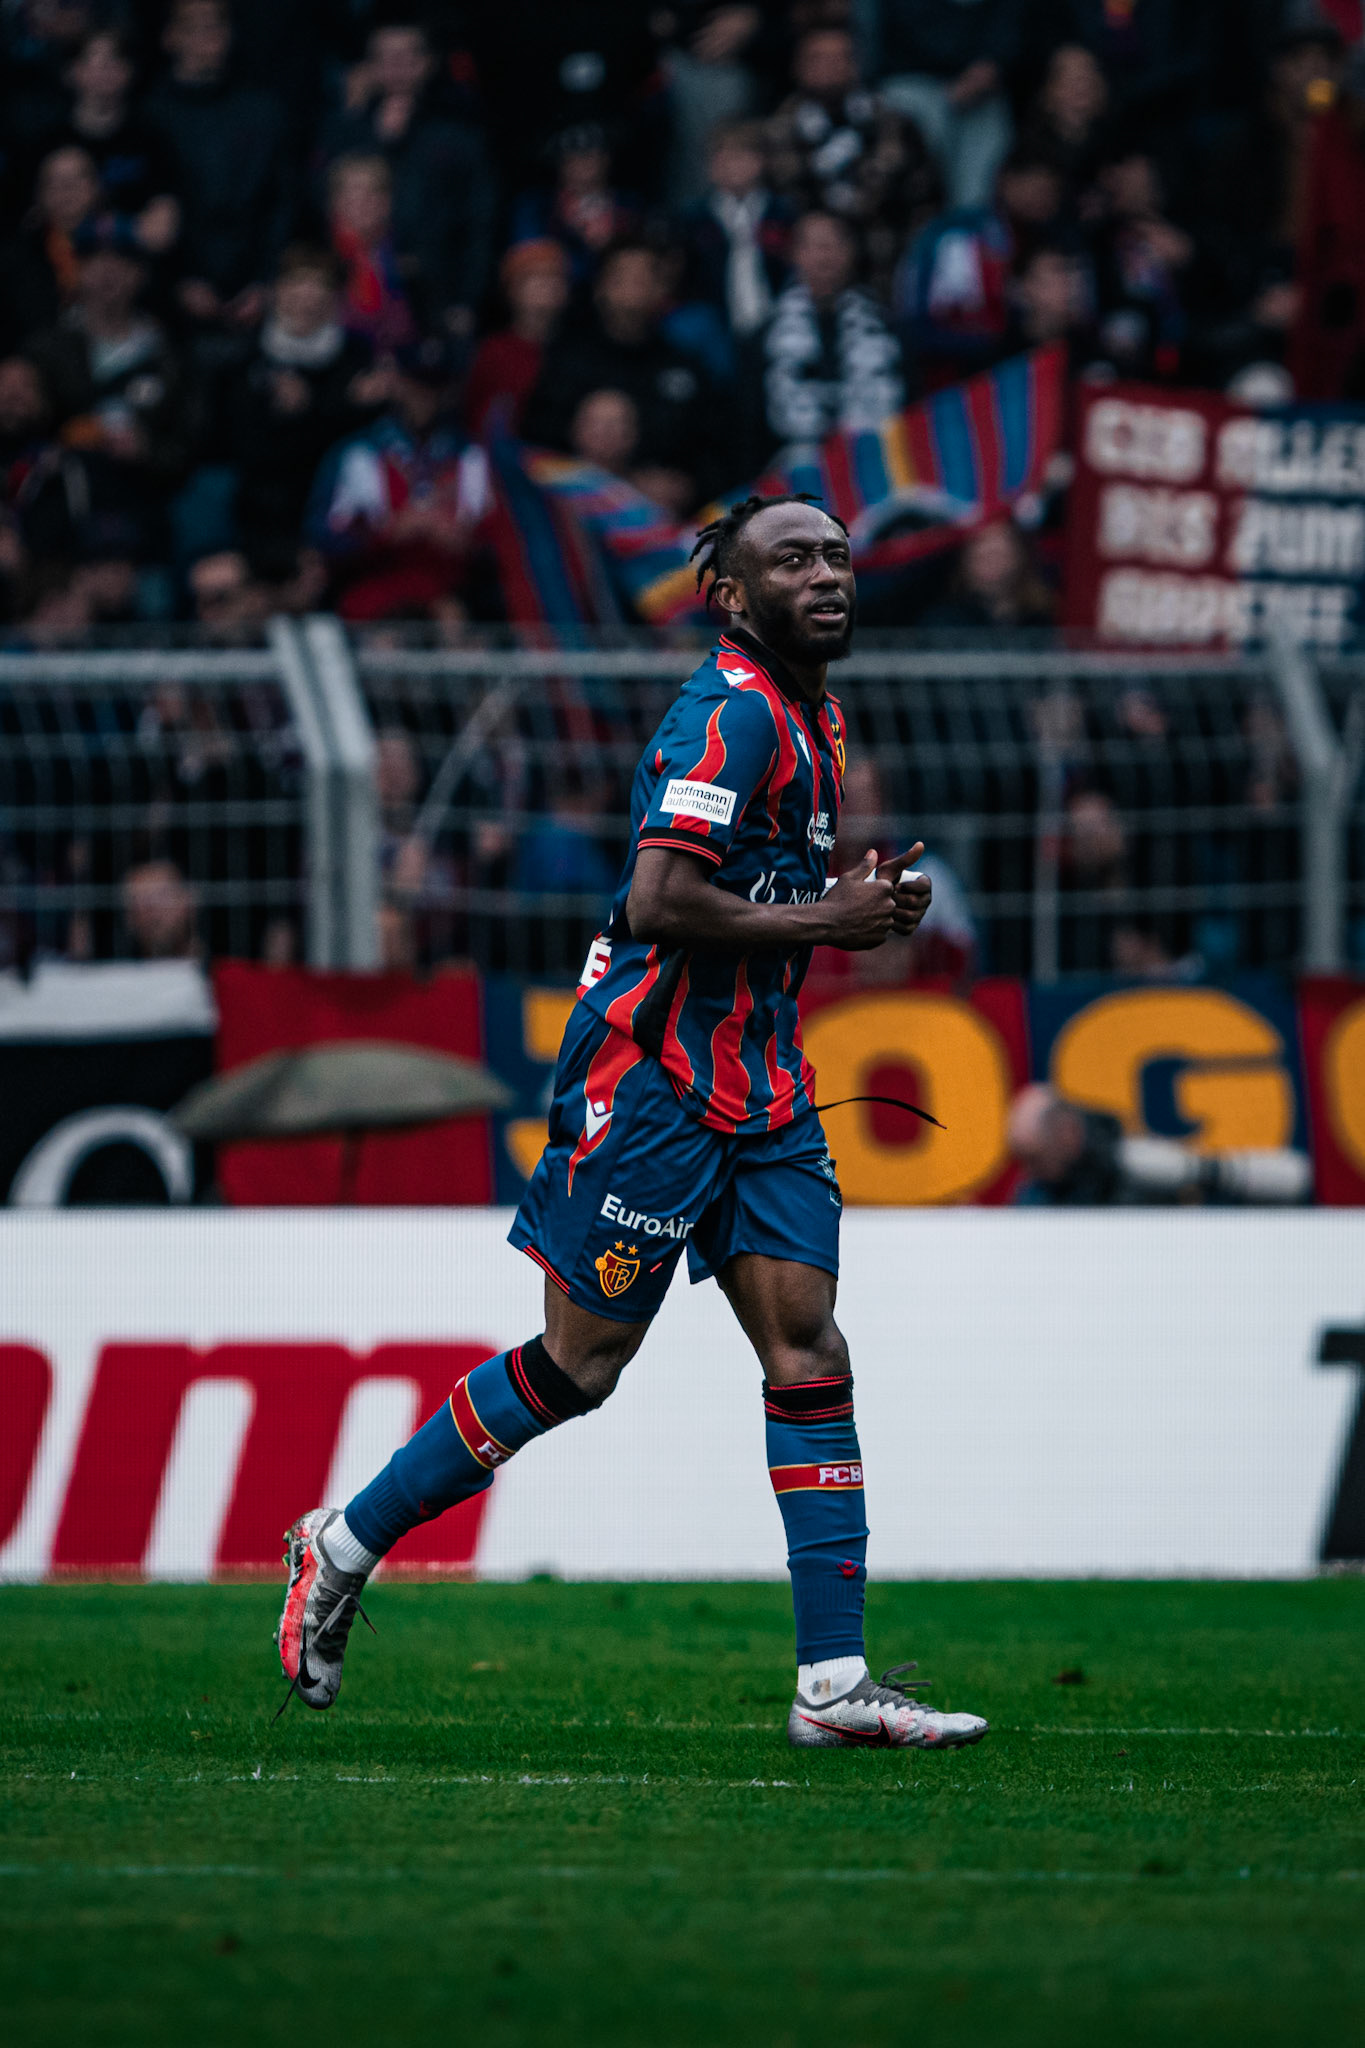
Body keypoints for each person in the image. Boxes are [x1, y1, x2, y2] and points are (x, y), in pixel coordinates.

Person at [275, 491, 990, 1753]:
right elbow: (660, 901)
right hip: (652, 1081)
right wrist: (828, 924)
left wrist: (854, 899)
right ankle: (342, 1543)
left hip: (761, 1084)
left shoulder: (813, 712)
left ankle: (831, 1681)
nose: (828, 575)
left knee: (808, 1346)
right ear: (732, 594)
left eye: (836, 554)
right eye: (794, 559)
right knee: (577, 1366)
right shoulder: (729, 711)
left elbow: (747, 889)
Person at [761, 211, 904, 455]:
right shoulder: (764, 336)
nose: (825, 255)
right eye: (814, 245)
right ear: (794, 254)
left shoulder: (888, 329)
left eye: (835, 243)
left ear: (852, 252)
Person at [464, 240, 570, 440]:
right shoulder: (493, 351)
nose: (546, 286)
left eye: (554, 278)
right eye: (534, 277)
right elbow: (475, 419)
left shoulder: (577, 351)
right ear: (511, 289)